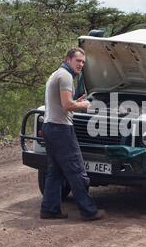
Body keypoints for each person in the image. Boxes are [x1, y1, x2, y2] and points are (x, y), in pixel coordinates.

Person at [40, 47, 105, 221]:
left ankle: (49, 209)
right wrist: (83, 105)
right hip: (61, 129)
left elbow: (63, 104)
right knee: (77, 171)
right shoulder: (66, 76)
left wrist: (76, 102)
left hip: (49, 126)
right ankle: (89, 211)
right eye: (78, 61)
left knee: (55, 172)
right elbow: (67, 106)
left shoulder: (57, 74)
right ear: (68, 60)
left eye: (83, 62)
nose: (81, 65)